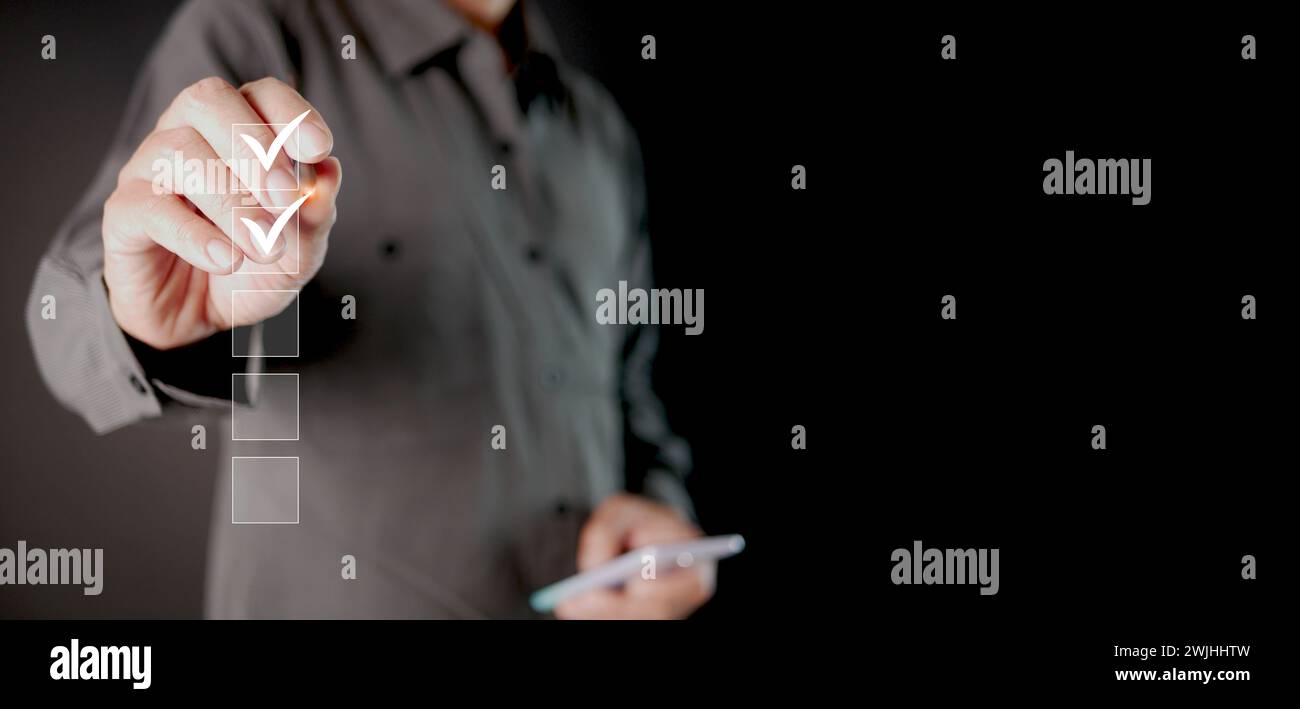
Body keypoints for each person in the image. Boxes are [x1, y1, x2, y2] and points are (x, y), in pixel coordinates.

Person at [25, 0, 712, 619]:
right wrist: (139, 314)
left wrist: (663, 523)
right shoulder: (260, 31)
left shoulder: (598, 129)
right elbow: (66, 328)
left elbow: (631, 390)